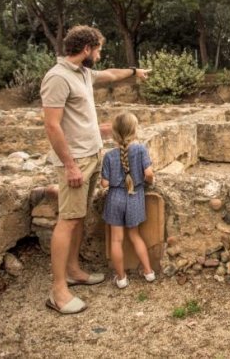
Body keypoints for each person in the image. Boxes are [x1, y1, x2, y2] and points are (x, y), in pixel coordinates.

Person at [41, 25, 150, 314]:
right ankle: (58, 290)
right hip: (75, 160)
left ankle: (74, 270)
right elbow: (51, 125)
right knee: (68, 219)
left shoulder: (83, 74)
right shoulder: (58, 77)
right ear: (87, 49)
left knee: (78, 217)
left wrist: (134, 71)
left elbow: (111, 75)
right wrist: (69, 165)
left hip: (90, 156)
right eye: (99, 49)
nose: (100, 55)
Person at [100, 112, 157, 288]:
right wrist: (149, 182)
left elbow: (104, 184)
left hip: (115, 198)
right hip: (135, 196)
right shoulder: (140, 149)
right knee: (135, 235)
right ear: (134, 130)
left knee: (116, 240)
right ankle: (148, 272)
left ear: (115, 133)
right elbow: (149, 174)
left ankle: (121, 278)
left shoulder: (109, 155)